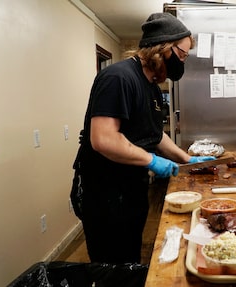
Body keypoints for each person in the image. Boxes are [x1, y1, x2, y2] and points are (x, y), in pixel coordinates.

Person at [72, 12, 215, 264]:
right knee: (112, 267)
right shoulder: (118, 78)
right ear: (164, 48)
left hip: (131, 188)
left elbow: (154, 133)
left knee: (130, 257)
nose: (182, 61)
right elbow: (103, 139)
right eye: (182, 55)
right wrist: (151, 160)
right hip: (105, 192)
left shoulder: (150, 86)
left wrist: (187, 158)